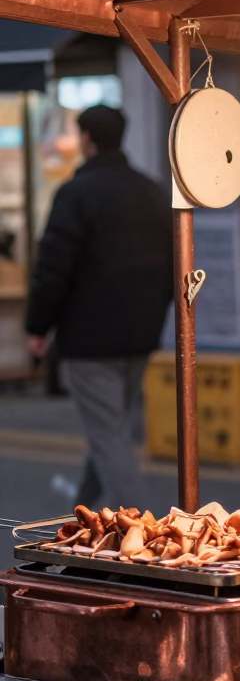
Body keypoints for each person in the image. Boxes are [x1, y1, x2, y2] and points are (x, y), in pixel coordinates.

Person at [26, 104, 173, 510]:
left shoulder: (76, 193)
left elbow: (53, 267)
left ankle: (144, 535)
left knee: (109, 436)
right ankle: (85, 503)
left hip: (89, 342)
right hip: (140, 335)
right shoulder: (152, 191)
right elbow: (174, 263)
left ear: (87, 137)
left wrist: (38, 328)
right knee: (111, 427)